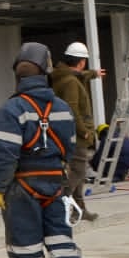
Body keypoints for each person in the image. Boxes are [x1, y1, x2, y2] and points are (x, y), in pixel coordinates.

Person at [0, 42, 87, 258]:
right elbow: (71, 147)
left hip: (22, 186)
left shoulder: (12, 109)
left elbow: (5, 154)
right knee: (61, 240)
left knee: (25, 242)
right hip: (55, 183)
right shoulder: (63, 108)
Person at [49, 41, 103, 222]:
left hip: (68, 133)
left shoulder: (64, 76)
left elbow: (80, 76)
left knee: (79, 173)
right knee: (79, 171)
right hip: (76, 135)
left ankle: (79, 209)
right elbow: (73, 109)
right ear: (81, 62)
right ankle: (57, 203)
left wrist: (93, 74)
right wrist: (84, 132)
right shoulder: (71, 82)